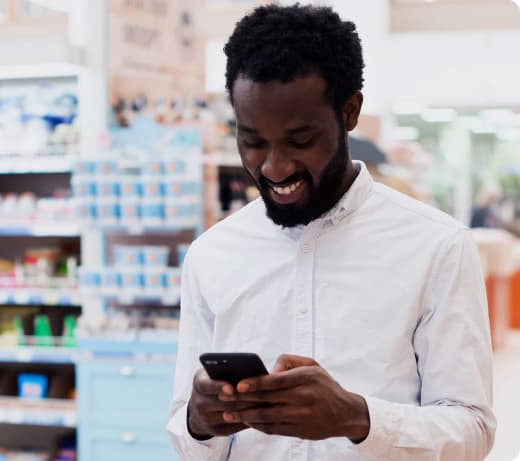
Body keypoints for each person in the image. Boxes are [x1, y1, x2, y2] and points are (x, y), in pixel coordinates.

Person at [167, 4, 496, 460]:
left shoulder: (437, 247)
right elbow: (191, 441)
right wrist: (199, 423)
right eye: (253, 141)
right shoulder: (212, 254)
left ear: (349, 112)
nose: (274, 167)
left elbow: (473, 430)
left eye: (300, 141)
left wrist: (356, 417)